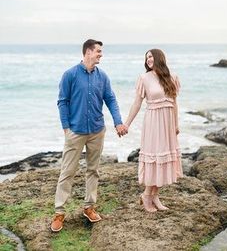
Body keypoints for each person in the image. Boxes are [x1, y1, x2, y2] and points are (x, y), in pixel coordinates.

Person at [51, 39, 127, 232]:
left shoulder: (103, 77)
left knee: (93, 170)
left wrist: (118, 122)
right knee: (67, 171)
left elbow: (110, 99)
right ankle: (59, 212)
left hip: (96, 130)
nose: (101, 54)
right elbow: (62, 102)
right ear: (87, 52)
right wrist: (66, 128)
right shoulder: (70, 75)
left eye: (101, 51)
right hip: (75, 132)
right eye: (98, 51)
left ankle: (89, 207)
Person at [124, 48, 183, 212]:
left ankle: (154, 196)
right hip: (153, 123)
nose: (148, 60)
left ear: (159, 58)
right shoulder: (144, 78)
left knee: (163, 160)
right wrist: (127, 123)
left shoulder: (172, 78)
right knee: (154, 158)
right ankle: (146, 195)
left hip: (168, 123)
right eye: (146, 58)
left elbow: (174, 103)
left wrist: (176, 125)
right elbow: (137, 103)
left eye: (151, 56)